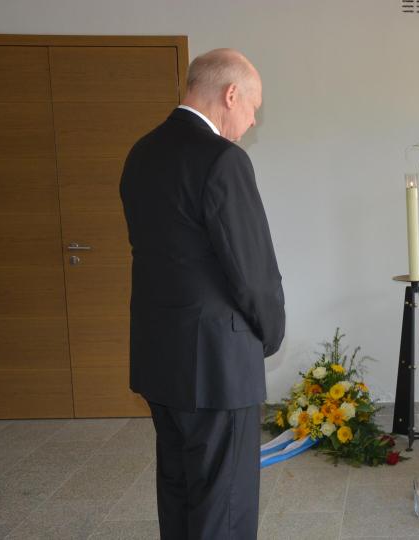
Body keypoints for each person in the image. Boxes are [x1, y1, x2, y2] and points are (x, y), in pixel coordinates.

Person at [120, 48, 285, 539]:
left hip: (159, 355)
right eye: (253, 107)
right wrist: (269, 334)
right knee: (225, 501)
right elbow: (252, 270)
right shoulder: (223, 159)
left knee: (179, 489)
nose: (253, 121)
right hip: (217, 363)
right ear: (230, 94)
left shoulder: (141, 152)